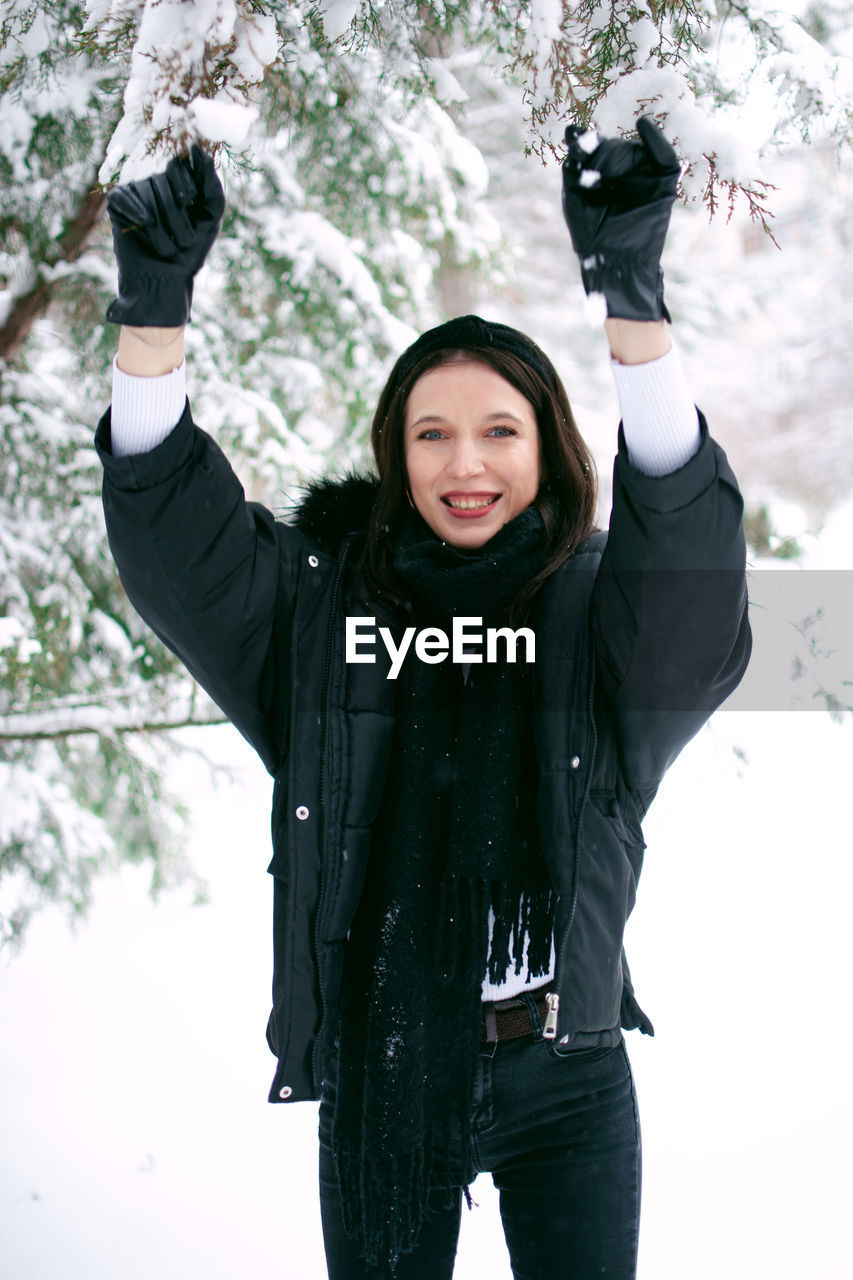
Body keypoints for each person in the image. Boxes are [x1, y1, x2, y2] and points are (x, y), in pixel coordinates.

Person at [96, 120, 751, 1279]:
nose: (465, 463)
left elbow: (691, 583)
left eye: (500, 431)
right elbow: (172, 539)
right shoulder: (320, 611)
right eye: (431, 433)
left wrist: (633, 304)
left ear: (548, 449)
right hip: (383, 1057)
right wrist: (153, 312)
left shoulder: (599, 619)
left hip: (567, 1062)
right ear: (394, 457)